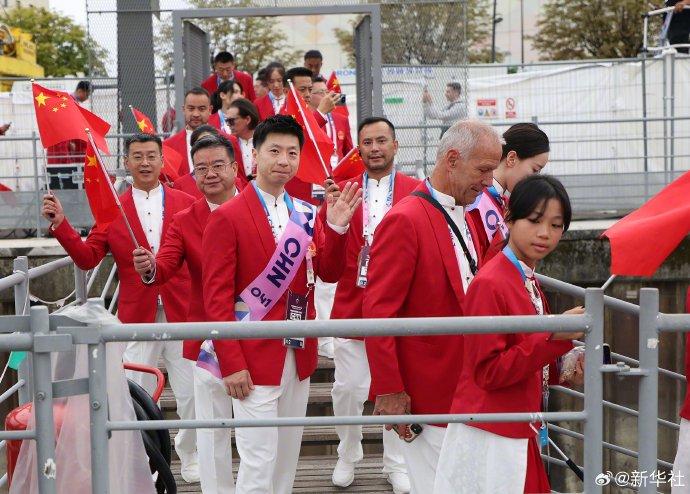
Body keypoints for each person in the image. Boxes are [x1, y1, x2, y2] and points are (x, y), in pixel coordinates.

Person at [201, 115, 362, 494]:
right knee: (258, 462)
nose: (284, 160)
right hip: (251, 359)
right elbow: (216, 299)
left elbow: (330, 273)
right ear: (254, 155)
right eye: (274, 151)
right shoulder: (227, 216)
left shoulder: (306, 212)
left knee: (286, 459)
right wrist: (232, 364)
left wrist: (337, 229)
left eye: (292, 152)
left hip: (298, 352)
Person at [41, 133, 200, 483]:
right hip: (136, 316)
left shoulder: (188, 202)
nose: (145, 163)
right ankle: (142, 461)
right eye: (138, 156)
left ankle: (189, 453)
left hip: (182, 311)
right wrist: (61, 224)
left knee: (191, 392)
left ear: (163, 161)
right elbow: (87, 258)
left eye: (151, 156)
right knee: (135, 394)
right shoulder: (113, 211)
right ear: (126, 163)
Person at [363, 120, 502, 493]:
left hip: (470, 387)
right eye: (484, 170)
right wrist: (389, 391)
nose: (490, 182)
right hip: (430, 393)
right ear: (453, 159)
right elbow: (378, 314)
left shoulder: (470, 212)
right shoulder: (405, 219)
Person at [434, 174, 585, 494]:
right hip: (492, 434)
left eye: (557, 225)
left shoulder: (523, 275)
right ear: (509, 218)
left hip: (514, 426)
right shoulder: (492, 282)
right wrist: (554, 337)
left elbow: (522, 354)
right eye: (534, 220)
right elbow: (488, 372)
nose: (545, 233)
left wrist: (565, 364)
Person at [133, 134, 239, 494]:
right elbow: (163, 267)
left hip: (258, 335)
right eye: (201, 169)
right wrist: (149, 267)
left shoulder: (261, 210)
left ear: (235, 169)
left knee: (262, 432)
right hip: (208, 338)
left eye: (217, 166)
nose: (210, 174)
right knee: (210, 429)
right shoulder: (184, 220)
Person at [325, 117, 417, 493]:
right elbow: (327, 265)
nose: (375, 148)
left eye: (382, 141)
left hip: (402, 309)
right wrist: (337, 226)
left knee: (396, 387)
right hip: (353, 304)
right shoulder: (342, 192)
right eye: (367, 142)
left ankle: (395, 462)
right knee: (348, 388)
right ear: (357, 149)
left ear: (395, 145)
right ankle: (348, 452)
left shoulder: (417, 191)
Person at [466, 122, 550, 263]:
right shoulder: (477, 200)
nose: (535, 179)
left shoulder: (500, 201)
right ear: (511, 158)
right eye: (535, 170)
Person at [164, 87, 246, 186]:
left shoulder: (229, 140)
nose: (196, 114)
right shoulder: (168, 145)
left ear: (210, 109)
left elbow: (241, 180)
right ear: (183, 109)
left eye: (201, 109)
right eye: (191, 108)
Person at [45, 80, 93, 189]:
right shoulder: (70, 103)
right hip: (62, 146)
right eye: (87, 94)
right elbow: (71, 124)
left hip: (60, 145)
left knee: (56, 177)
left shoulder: (66, 101)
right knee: (65, 177)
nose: (87, 97)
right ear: (81, 91)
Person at [311, 76, 353, 165]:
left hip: (338, 173)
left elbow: (349, 152)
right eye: (321, 92)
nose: (327, 96)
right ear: (309, 95)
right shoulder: (308, 120)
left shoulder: (342, 119)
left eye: (327, 92)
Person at [227, 98, 260, 181]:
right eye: (227, 121)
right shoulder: (228, 144)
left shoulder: (265, 140)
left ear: (248, 119)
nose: (228, 124)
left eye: (231, 121)